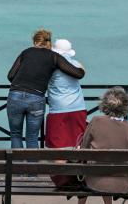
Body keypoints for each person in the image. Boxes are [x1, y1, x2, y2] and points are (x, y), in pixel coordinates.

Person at [6, 28, 85, 149]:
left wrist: (22, 86)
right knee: (32, 136)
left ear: (34, 41)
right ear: (49, 42)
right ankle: (32, 166)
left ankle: (17, 165)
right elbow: (77, 74)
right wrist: (81, 68)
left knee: (16, 134)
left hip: (15, 95)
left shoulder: (26, 52)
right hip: (36, 98)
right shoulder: (54, 57)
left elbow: (10, 75)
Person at [78, 87, 128, 204]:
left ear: (104, 105)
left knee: (85, 170)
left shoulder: (96, 121)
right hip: (124, 183)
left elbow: (83, 151)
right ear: (126, 107)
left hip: (95, 180)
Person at [45, 39, 88, 187]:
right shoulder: (75, 64)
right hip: (78, 107)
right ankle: (78, 177)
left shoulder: (51, 66)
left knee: (59, 147)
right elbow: (82, 71)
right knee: (77, 144)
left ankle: (62, 182)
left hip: (58, 109)